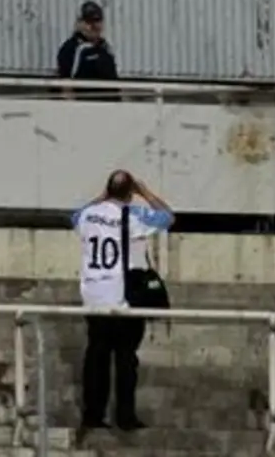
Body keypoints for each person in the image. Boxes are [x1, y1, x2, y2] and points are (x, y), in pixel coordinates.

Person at [71, 170, 174, 433]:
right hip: (122, 296)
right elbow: (167, 217)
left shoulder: (88, 215)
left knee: (96, 355)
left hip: (94, 296)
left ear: (108, 190)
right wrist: (145, 192)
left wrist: (103, 196)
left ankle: (93, 415)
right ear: (130, 193)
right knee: (126, 357)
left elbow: (74, 217)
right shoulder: (133, 216)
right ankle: (125, 416)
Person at [56, 0, 118, 82]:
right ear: (79, 23)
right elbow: (65, 83)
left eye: (97, 21)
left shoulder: (105, 47)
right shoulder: (70, 49)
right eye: (89, 22)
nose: (94, 26)